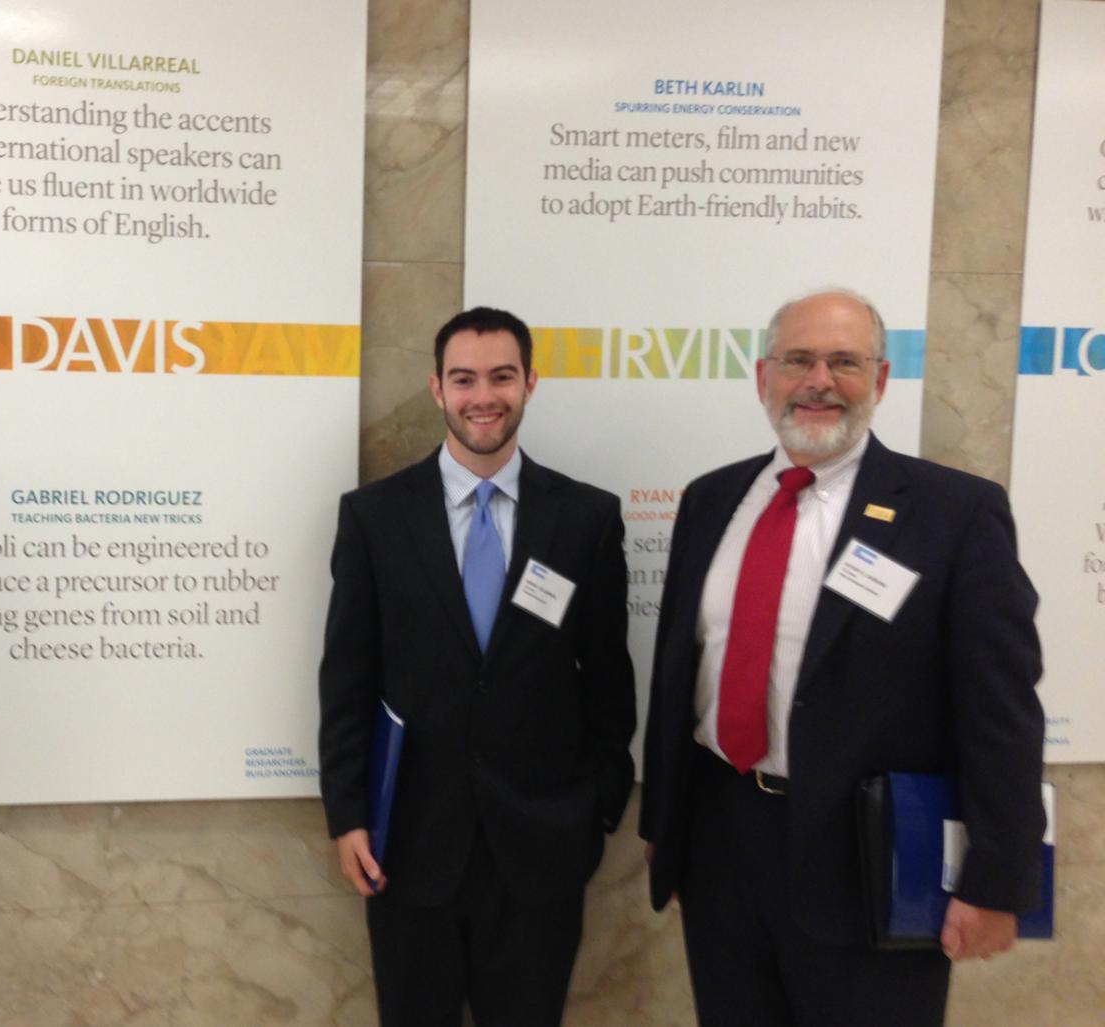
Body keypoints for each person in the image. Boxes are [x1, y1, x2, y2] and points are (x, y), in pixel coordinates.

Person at [640, 289, 1044, 1027]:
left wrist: (997, 879)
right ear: (764, 377)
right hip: (722, 847)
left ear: (881, 380)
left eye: (844, 362)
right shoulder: (711, 499)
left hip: (871, 859)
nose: (819, 380)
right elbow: (678, 672)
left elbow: (1003, 711)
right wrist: (664, 825)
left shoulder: (953, 513)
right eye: (798, 360)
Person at [319, 306, 636, 1027]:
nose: (482, 396)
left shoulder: (586, 518)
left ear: (530, 382)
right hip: (408, 844)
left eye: (501, 376)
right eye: (464, 379)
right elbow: (347, 677)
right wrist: (348, 814)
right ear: (437, 388)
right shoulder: (375, 517)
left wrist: (598, 809)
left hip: (542, 850)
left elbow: (610, 679)